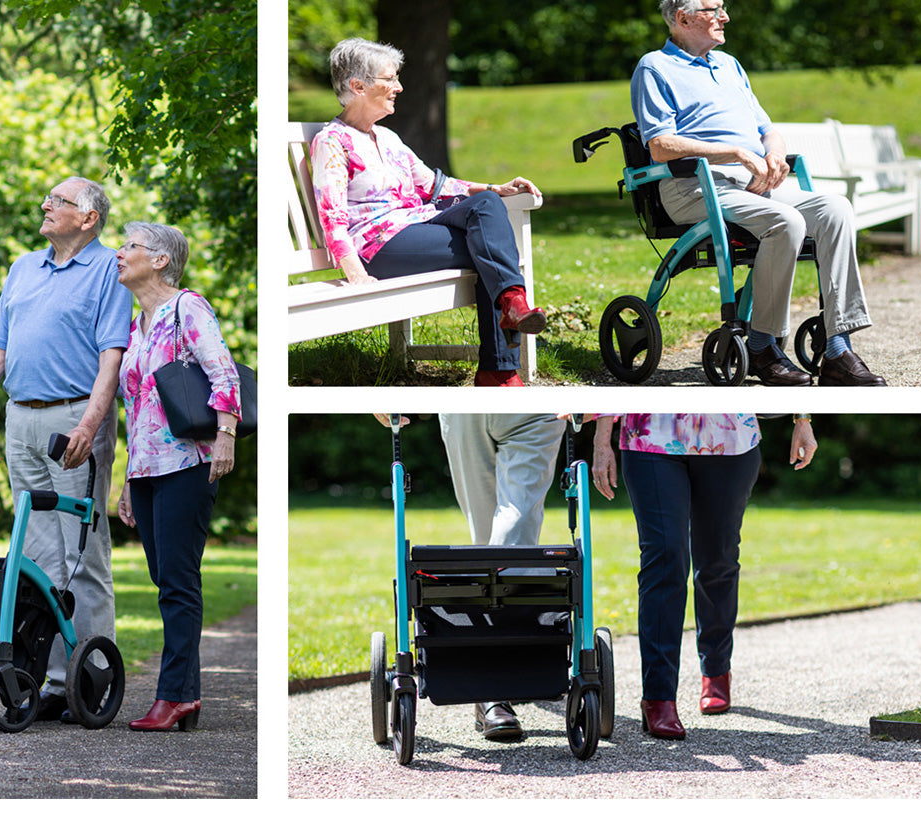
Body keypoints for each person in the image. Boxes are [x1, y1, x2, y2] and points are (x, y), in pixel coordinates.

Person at [0, 176, 131, 720]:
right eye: (47, 198)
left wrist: (90, 427)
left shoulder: (109, 270)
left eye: (60, 201)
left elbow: (111, 359)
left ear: (89, 218)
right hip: (20, 418)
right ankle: (51, 683)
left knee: (81, 554)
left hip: (74, 418)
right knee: (34, 555)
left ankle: (90, 681)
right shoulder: (23, 267)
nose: (46, 205)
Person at [632, 1, 886, 386]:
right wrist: (735, 153)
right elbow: (660, 146)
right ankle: (762, 345)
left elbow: (767, 128)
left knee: (836, 209)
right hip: (695, 186)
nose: (725, 17)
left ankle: (837, 347)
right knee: (785, 222)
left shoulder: (729, 65)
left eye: (724, 7)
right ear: (683, 18)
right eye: (713, 9)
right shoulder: (655, 67)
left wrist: (774, 154)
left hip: (752, 184)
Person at [314, 37, 547, 387]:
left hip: (415, 226)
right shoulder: (332, 141)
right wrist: (355, 274)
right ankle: (499, 371)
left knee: (487, 209)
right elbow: (332, 215)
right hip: (379, 245)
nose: (399, 87)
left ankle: (511, 309)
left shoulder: (387, 139)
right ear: (357, 86)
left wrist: (495, 189)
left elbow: (434, 185)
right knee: (491, 249)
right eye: (389, 79)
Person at [590, 413, 817, 739]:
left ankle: (716, 669)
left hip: (729, 441)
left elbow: (785, 370)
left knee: (718, 561)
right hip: (650, 436)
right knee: (665, 559)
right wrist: (602, 439)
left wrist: (802, 419)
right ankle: (658, 697)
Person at [115, 222, 242, 732]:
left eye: (130, 247)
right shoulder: (134, 326)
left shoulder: (186, 308)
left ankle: (174, 696)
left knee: (177, 583)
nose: (120, 254)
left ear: (161, 259)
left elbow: (223, 371)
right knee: (165, 581)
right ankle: (184, 695)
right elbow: (136, 408)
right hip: (146, 470)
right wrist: (127, 478)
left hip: (188, 463)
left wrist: (227, 434)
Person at [374, 413, 566, 740]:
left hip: (536, 413)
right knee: (485, 540)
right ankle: (498, 675)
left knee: (512, 538)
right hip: (463, 412)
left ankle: (494, 690)